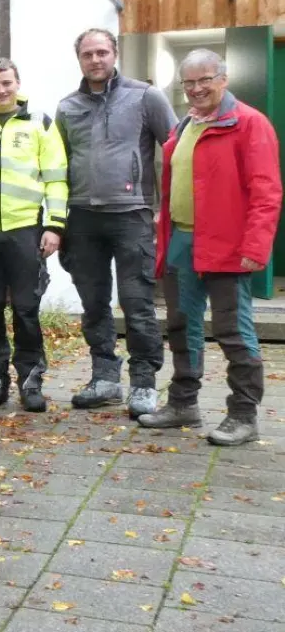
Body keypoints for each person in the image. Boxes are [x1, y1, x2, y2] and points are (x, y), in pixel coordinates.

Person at [138, 50, 281, 446]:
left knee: (233, 330)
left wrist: (255, 246)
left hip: (227, 246)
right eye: (189, 82)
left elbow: (267, 192)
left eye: (205, 80)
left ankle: (244, 415)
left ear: (224, 79)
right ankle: (183, 404)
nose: (197, 88)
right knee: (181, 325)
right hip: (182, 241)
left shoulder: (249, 123)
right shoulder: (186, 125)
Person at [55, 29, 177, 418]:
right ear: (79, 59)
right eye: (88, 54)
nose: (95, 60)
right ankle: (105, 378)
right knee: (93, 303)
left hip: (132, 214)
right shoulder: (67, 107)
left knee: (137, 303)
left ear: (115, 53)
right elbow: (59, 164)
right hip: (83, 217)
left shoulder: (145, 97)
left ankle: (144, 382)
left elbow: (175, 150)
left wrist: (164, 208)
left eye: (102, 52)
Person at [0, 58, 68, 413]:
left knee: (26, 309)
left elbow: (56, 177)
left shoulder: (40, 122)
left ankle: (30, 381)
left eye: (6, 83)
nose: (1, 90)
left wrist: (54, 225)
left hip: (25, 229)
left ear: (17, 83)